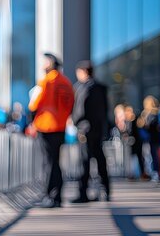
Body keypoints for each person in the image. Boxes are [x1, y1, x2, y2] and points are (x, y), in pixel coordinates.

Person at [28, 53, 75, 208]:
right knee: (55, 161)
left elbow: (34, 105)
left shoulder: (47, 81)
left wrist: (32, 122)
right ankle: (57, 195)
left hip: (46, 126)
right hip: (60, 127)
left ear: (50, 63)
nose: (42, 64)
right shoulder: (66, 82)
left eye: (45, 61)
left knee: (48, 163)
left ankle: (50, 196)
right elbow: (70, 105)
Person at [70, 60, 110, 202]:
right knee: (99, 159)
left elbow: (79, 109)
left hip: (85, 129)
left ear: (83, 72)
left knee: (84, 161)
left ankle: (83, 194)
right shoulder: (101, 88)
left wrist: (75, 123)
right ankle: (105, 190)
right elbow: (105, 111)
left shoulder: (82, 88)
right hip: (98, 128)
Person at [137, 96, 160, 178]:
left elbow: (145, 125)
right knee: (149, 156)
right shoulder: (147, 113)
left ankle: (154, 172)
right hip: (149, 138)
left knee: (152, 156)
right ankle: (152, 172)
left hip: (151, 138)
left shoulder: (152, 113)